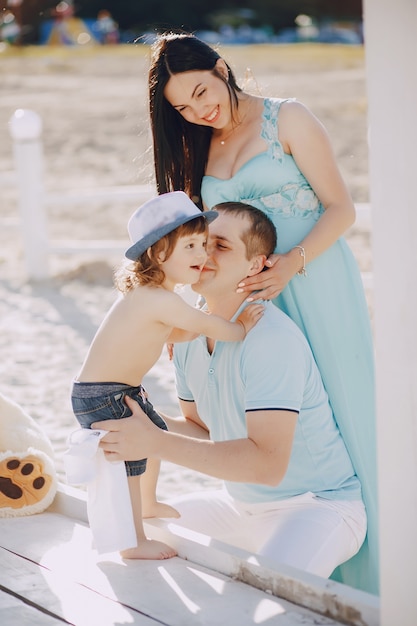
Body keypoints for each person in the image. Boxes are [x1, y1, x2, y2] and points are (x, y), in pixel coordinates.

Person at [147, 32, 378, 594]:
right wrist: (191, 311)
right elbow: (202, 241)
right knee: (263, 401)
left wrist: (291, 264)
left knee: (344, 409)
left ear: (223, 68)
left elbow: (341, 208)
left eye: (203, 91)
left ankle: (366, 570)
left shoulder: (286, 118)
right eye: (183, 106)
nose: (200, 110)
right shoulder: (196, 145)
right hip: (245, 292)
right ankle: (282, 514)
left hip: (313, 277)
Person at [93, 202, 368, 586]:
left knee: (269, 595)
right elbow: (204, 431)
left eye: (220, 246)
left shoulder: (270, 339)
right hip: (239, 507)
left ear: (256, 265)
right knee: (132, 533)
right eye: (201, 242)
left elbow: (266, 465)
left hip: (317, 507)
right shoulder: (187, 335)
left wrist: (154, 441)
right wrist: (138, 422)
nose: (204, 254)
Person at [71, 191, 263, 560]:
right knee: (130, 463)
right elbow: (205, 324)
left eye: (204, 244)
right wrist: (239, 327)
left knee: (153, 437)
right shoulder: (161, 299)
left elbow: (179, 330)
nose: (202, 255)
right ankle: (132, 541)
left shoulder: (150, 294)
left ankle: (148, 504)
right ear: (159, 253)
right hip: (105, 394)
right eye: (190, 245)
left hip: (114, 390)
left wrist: (179, 333)